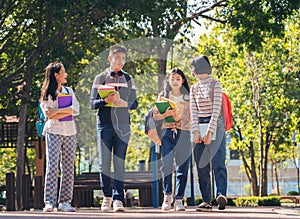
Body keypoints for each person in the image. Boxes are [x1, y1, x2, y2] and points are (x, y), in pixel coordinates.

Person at [90, 44, 138, 212]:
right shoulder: (100, 78)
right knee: (104, 163)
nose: (120, 61)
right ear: (109, 58)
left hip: (124, 125)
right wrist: (106, 101)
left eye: (123, 59)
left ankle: (118, 199)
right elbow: (92, 104)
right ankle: (107, 197)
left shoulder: (129, 78)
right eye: (117, 58)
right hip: (104, 125)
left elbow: (135, 104)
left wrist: (121, 103)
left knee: (119, 162)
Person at [40, 62, 80, 212]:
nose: (66, 75)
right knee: (52, 166)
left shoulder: (69, 90)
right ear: (56, 75)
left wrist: (57, 111)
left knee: (68, 167)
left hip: (70, 132)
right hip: (53, 131)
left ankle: (64, 202)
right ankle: (49, 201)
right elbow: (48, 115)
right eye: (64, 72)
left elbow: (74, 110)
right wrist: (63, 111)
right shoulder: (47, 94)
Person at [189, 55, 228, 211]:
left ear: (198, 67)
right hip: (199, 125)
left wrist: (209, 132)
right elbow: (193, 111)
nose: (191, 71)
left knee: (218, 163)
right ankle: (206, 200)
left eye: (192, 68)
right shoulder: (194, 88)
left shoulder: (215, 85)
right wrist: (196, 131)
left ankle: (221, 195)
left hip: (215, 125)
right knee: (201, 165)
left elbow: (216, 110)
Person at [153, 68, 191, 211]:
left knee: (182, 167)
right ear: (168, 80)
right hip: (166, 133)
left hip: (184, 132)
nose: (175, 81)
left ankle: (179, 200)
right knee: (167, 165)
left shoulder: (188, 97)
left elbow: (193, 116)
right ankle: (167, 196)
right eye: (172, 78)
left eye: (178, 79)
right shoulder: (162, 96)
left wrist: (179, 118)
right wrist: (166, 114)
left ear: (183, 81)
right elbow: (155, 116)